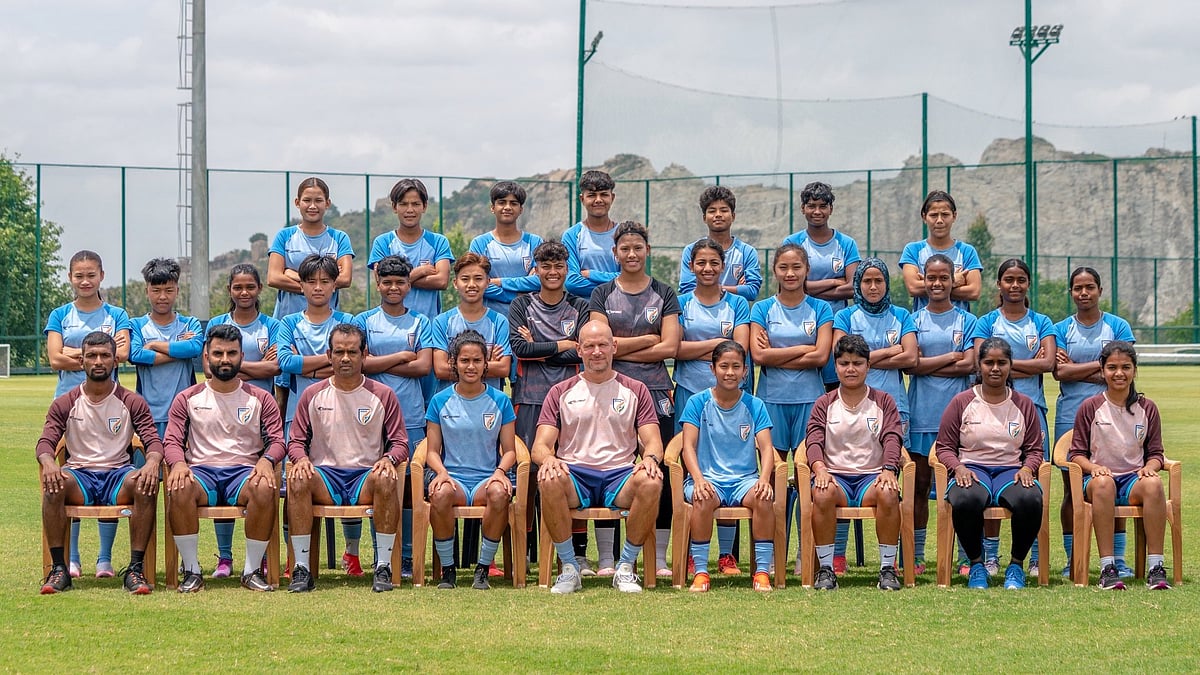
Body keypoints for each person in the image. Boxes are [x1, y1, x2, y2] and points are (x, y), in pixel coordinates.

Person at [532, 321, 665, 594]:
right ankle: (570, 569)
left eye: (603, 345)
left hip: (619, 475)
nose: (596, 352)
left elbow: (653, 442)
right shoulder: (560, 391)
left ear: (614, 347)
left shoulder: (636, 389)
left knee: (652, 481)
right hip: (575, 475)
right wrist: (548, 459)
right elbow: (540, 447)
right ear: (579, 350)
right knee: (548, 479)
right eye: (589, 346)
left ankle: (625, 567)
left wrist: (650, 458)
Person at [285, 324, 409, 593]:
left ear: (364, 354)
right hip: (325, 477)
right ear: (328, 355)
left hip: (365, 477)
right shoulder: (312, 394)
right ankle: (302, 568)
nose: (345, 358)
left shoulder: (382, 394)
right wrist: (301, 459)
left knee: (387, 477)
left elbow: (400, 442)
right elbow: (295, 441)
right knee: (297, 479)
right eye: (339, 351)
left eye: (352, 352)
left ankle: (383, 567)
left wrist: (389, 458)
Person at [36, 331, 162, 595]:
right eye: (91, 356)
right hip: (80, 475)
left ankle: (136, 569)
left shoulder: (131, 401)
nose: (98, 361)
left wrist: (152, 462)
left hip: (118, 475)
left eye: (105, 355)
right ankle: (59, 569)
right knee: (54, 485)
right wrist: (48, 461)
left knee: (145, 484)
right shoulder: (65, 402)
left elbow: (153, 440)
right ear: (81, 361)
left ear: (115, 361)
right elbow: (46, 442)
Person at [162, 324, 285, 592]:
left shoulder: (261, 398)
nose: (225, 359)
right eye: (218, 353)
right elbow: (171, 441)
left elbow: (277, 441)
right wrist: (179, 463)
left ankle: (251, 571)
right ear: (206, 356)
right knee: (179, 486)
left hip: (243, 473)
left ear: (241, 355)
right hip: (201, 474)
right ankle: (192, 571)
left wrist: (266, 461)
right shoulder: (187, 398)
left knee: (265, 488)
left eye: (232, 353)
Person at [589, 220, 680, 578]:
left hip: (657, 391)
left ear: (648, 251)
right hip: (609, 393)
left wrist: (621, 346)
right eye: (624, 248)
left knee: (660, 470)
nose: (631, 254)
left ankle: (657, 558)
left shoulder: (664, 293)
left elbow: (670, 346)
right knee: (608, 468)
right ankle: (609, 559)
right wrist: (647, 340)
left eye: (637, 248)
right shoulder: (602, 294)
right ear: (615, 253)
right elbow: (599, 346)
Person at [44, 250, 132, 579]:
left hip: (111, 407)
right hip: (71, 405)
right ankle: (73, 558)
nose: (85, 281)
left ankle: (105, 559)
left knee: (111, 470)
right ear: (70, 278)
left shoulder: (117, 314)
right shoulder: (60, 315)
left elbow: (121, 354)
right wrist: (89, 355)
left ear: (101, 276)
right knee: (72, 474)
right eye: (79, 275)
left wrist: (73, 352)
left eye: (91, 275)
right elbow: (54, 359)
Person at [749, 243, 834, 571]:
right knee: (770, 481)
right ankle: (769, 559)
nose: (790, 273)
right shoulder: (762, 310)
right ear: (775, 271)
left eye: (796, 267)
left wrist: (778, 352)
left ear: (807, 270)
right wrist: (804, 348)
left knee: (807, 479)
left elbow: (821, 356)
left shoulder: (821, 310)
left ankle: (804, 554)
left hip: (809, 401)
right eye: (783, 267)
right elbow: (758, 357)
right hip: (771, 400)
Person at [969, 258, 1056, 576]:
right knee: (993, 475)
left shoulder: (1042, 322)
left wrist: (1005, 364)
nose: (1015, 285)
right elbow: (980, 362)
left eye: (1021, 279)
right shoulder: (987, 322)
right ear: (999, 284)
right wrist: (1022, 362)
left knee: (1030, 480)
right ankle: (990, 557)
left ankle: (1033, 557)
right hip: (992, 409)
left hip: (1033, 409)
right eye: (1008, 279)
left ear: (1028, 284)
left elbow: (1048, 364)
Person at [935, 337, 1045, 590]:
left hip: (1010, 471)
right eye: (989, 362)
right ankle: (976, 565)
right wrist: (958, 468)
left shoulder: (1024, 404)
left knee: (1030, 499)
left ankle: (1016, 566)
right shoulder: (962, 402)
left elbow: (1034, 449)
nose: (995, 368)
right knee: (965, 498)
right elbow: (944, 447)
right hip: (972, 469)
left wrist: (1028, 468)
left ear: (1010, 366)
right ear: (979, 366)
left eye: (1001, 363)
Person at [831, 258, 917, 573]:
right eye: (866, 281)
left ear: (886, 284)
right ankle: (837, 556)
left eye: (878, 280)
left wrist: (865, 357)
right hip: (850, 406)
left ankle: (889, 558)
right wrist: (886, 352)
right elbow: (837, 357)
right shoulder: (844, 315)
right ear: (858, 285)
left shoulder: (902, 316)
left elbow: (910, 356)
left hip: (894, 406)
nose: (872, 286)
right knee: (841, 469)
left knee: (888, 475)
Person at [275, 254, 358, 573]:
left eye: (325, 281)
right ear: (301, 285)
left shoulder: (348, 320)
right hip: (299, 413)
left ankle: (351, 553)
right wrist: (329, 366)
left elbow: (355, 363)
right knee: (292, 484)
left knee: (349, 478)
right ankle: (293, 557)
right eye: (311, 281)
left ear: (335, 284)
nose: (318, 287)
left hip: (344, 415)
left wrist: (306, 366)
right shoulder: (289, 323)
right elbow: (286, 363)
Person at [507, 240, 589, 563]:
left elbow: (581, 352)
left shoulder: (579, 306)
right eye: (546, 266)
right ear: (536, 270)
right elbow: (520, 349)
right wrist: (561, 345)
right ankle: (527, 551)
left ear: (566, 269)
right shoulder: (521, 304)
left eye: (558, 266)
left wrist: (540, 345)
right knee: (527, 474)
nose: (552, 272)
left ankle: (573, 553)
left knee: (572, 473)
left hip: (572, 400)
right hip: (529, 398)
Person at [353, 255, 434, 579]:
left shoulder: (420, 322)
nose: (393, 287)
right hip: (371, 415)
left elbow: (424, 367)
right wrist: (401, 356)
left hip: (411, 414)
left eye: (400, 282)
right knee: (381, 486)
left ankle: (409, 558)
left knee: (412, 492)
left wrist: (380, 361)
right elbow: (359, 363)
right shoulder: (364, 321)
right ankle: (382, 556)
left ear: (408, 285)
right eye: (387, 282)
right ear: (378, 284)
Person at [675, 237, 752, 575]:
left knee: (731, 467)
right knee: (696, 472)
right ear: (691, 266)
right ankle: (693, 555)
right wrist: (720, 344)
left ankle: (727, 555)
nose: (707, 269)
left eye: (714, 263)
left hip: (732, 400)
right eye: (701, 263)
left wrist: (704, 348)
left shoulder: (738, 304)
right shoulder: (679, 303)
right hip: (690, 394)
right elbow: (675, 349)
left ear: (723, 266)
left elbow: (740, 351)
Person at [1053, 267, 1137, 578]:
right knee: (1070, 487)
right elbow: (1059, 372)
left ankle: (1118, 557)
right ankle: (1072, 556)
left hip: (1116, 414)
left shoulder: (1117, 325)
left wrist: (1081, 368)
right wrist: (1100, 368)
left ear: (1100, 290)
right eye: (1078, 288)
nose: (1084, 293)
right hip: (1071, 413)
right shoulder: (1061, 328)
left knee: (1114, 481)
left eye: (1090, 287)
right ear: (1071, 292)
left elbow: (1123, 367)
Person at [1068, 341, 1171, 590]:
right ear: (1102, 370)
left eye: (1126, 367)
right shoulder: (1090, 407)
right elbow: (1076, 455)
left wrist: (1151, 467)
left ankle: (1156, 567)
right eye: (1112, 367)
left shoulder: (1147, 408)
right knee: (1104, 484)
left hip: (1132, 480)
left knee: (1154, 485)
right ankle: (1108, 568)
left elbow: (1156, 453)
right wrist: (1093, 469)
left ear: (1135, 370)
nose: (1119, 373)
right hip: (1098, 481)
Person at [806, 335, 905, 591]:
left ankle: (886, 569)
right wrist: (819, 468)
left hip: (871, 477)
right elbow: (814, 440)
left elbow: (893, 437)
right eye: (844, 363)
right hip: (835, 477)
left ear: (868, 366)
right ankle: (826, 570)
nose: (851, 369)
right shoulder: (824, 403)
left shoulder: (883, 401)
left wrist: (889, 469)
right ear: (836, 366)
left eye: (857, 363)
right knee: (822, 492)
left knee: (889, 491)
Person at [205, 264, 284, 578]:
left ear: (259, 289)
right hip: (222, 412)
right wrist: (253, 366)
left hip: (259, 411)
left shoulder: (271, 325)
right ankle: (224, 558)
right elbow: (211, 371)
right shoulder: (216, 323)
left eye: (250, 287)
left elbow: (276, 368)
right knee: (219, 474)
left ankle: (261, 557)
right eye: (238, 287)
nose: (244, 293)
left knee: (260, 484)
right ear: (229, 290)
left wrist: (237, 368)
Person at [423, 330, 518, 590]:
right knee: (440, 495)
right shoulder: (440, 400)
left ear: (486, 363)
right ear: (453, 362)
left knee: (500, 494)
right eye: (464, 360)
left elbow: (510, 450)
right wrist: (441, 473)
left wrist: (500, 472)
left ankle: (483, 569)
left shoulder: (500, 401)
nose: (471, 366)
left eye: (477, 360)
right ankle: (448, 570)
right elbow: (431, 450)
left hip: (485, 480)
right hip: (452, 479)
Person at [679, 341, 776, 592]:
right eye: (723, 366)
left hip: (745, 480)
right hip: (707, 477)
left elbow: (766, 449)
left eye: (736, 366)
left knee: (764, 497)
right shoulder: (697, 403)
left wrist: (764, 479)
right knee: (703, 497)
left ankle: (762, 572)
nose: (730, 372)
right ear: (713, 369)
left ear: (745, 371)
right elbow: (687, 446)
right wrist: (698, 479)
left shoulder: (755, 405)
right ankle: (701, 572)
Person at [904, 254, 977, 574]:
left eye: (943, 278)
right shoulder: (912, 320)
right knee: (919, 487)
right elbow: (912, 365)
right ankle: (918, 555)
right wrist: (951, 357)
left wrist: (929, 364)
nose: (936, 284)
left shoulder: (968, 320)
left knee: (961, 488)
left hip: (959, 417)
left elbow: (970, 364)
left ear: (953, 281)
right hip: (921, 412)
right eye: (930, 278)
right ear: (922, 280)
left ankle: (965, 555)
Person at [781, 181, 861, 389]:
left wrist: (807, 286)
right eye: (811, 206)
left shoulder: (846, 243)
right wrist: (835, 281)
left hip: (836, 325)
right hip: (800, 322)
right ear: (803, 209)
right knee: (805, 377)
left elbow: (853, 287)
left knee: (834, 384)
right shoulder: (793, 242)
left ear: (830, 209)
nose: (817, 211)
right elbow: (788, 286)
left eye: (822, 206)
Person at [128, 257, 204, 443]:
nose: (162, 296)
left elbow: (195, 347)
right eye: (156, 291)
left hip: (184, 413)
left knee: (180, 470)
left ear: (177, 291)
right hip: (147, 414)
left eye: (169, 290)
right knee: (147, 470)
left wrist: (154, 345)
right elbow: (136, 354)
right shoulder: (136, 325)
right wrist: (179, 352)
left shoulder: (189, 323)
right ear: (147, 291)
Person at [367, 178, 454, 322]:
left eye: (415, 204)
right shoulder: (383, 242)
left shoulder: (438, 241)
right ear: (394, 207)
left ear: (424, 206)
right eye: (403, 204)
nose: (410, 210)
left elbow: (442, 281)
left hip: (429, 325)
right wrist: (421, 271)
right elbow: (381, 282)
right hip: (390, 324)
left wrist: (396, 279)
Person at [267, 176, 355, 319]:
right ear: (297, 202)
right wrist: (323, 284)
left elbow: (345, 279)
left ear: (327, 203)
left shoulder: (339, 238)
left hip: (329, 323)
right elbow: (274, 278)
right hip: (287, 320)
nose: (312, 206)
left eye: (318, 200)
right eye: (307, 200)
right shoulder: (284, 236)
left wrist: (292, 274)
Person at [431, 252, 513, 392]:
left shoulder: (499, 322)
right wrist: (488, 362)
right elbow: (440, 370)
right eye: (465, 279)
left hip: (489, 404)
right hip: (451, 406)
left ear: (487, 283)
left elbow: (504, 369)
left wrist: (456, 363)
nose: (471, 285)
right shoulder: (442, 321)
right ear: (455, 283)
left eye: (478, 278)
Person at [898, 190, 983, 313]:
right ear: (924, 217)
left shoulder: (967, 251)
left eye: (945, 214)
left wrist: (929, 286)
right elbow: (913, 288)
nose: (939, 220)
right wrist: (953, 280)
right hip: (921, 328)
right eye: (933, 215)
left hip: (960, 329)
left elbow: (974, 292)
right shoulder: (913, 250)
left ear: (954, 216)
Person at [469, 180, 544, 317]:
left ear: (521, 209)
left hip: (529, 319)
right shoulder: (480, 243)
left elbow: (540, 281)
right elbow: (477, 285)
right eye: (502, 202)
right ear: (492, 208)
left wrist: (500, 282)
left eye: (513, 203)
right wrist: (518, 295)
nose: (507, 207)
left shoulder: (535, 242)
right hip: (491, 319)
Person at [677, 185, 763, 302]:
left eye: (724, 210)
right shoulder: (691, 250)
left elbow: (751, 291)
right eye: (712, 211)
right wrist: (735, 288)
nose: (718, 215)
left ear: (733, 216)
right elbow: (687, 289)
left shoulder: (747, 252)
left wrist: (707, 287)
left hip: (735, 317)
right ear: (704, 218)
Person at [563, 170, 620, 298]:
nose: (598, 200)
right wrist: (619, 285)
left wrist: (592, 274)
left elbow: (632, 278)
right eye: (592, 195)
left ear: (612, 197)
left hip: (620, 310)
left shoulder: (624, 234)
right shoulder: (572, 235)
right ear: (582, 199)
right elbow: (572, 283)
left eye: (604, 194)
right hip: (583, 311)